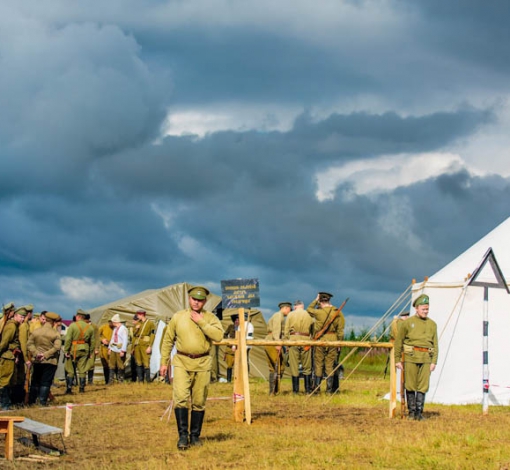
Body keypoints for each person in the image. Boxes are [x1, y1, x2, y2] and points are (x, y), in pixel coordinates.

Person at [159, 286, 224, 450]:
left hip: (202, 363)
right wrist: (163, 362)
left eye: (200, 300)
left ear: (205, 301)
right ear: (189, 299)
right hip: (181, 361)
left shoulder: (210, 318)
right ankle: (182, 436)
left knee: (199, 401)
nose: (196, 302)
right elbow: (168, 340)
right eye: (194, 299)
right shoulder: (178, 317)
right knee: (180, 397)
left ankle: (195, 436)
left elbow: (218, 336)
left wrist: (201, 322)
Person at [395, 294, 438, 420]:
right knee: (410, 385)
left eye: (427, 309)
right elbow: (399, 342)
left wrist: (434, 361)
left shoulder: (432, 324)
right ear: (417, 308)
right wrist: (397, 359)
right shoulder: (407, 323)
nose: (425, 311)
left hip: (426, 358)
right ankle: (411, 412)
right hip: (411, 357)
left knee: (423, 386)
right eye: (423, 309)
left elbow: (435, 344)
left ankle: (419, 413)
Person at [307, 292, 345, 394]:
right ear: (329, 300)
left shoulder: (318, 312)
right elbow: (340, 330)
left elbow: (308, 309)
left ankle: (317, 389)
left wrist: (315, 300)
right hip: (333, 339)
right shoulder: (337, 312)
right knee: (330, 365)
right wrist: (339, 342)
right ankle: (329, 391)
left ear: (320, 301)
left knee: (318, 364)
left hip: (321, 339)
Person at [27, 312, 62, 406]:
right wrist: (45, 355)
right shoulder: (55, 333)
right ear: (54, 322)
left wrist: (36, 353)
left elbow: (29, 344)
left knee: (35, 381)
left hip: (37, 360)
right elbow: (57, 347)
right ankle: (42, 402)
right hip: (50, 361)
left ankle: (31, 401)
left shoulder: (36, 331)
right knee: (46, 382)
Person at [0, 306, 27, 409]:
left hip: (11, 356)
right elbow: (4, 342)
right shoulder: (11, 326)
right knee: (4, 381)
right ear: (15, 315)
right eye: (21, 316)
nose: (23, 319)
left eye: (24, 317)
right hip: (7, 357)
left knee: (10, 381)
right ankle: (4, 405)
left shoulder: (15, 325)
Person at [284, 300, 314, 394]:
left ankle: (295, 391)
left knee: (294, 365)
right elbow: (313, 329)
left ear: (295, 306)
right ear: (303, 306)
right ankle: (307, 390)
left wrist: (287, 342)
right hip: (306, 339)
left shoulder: (290, 315)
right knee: (307, 365)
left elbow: (286, 330)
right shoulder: (309, 315)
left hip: (293, 339)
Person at [63, 309, 94, 394]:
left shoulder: (73, 326)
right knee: (82, 369)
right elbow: (93, 341)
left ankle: (69, 388)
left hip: (73, 349)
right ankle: (81, 389)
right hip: (85, 349)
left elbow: (68, 339)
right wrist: (91, 352)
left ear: (78, 317)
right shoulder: (90, 327)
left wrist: (66, 350)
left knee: (70, 369)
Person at [265, 302, 291, 395]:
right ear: (285, 308)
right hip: (272, 340)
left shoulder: (278, 316)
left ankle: (273, 391)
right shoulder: (278, 316)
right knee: (279, 365)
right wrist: (277, 342)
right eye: (289, 309)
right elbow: (276, 329)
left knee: (274, 366)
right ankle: (274, 390)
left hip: (271, 340)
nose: (290, 311)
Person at [132, 309, 156, 383]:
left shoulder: (150, 323)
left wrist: (150, 346)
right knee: (138, 362)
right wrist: (136, 329)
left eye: (138, 315)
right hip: (138, 344)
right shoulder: (137, 323)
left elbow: (152, 335)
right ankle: (140, 380)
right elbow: (134, 334)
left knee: (146, 362)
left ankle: (148, 381)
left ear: (142, 315)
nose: (137, 316)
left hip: (145, 344)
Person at [108, 314, 128, 384]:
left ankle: (120, 380)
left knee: (120, 364)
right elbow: (112, 338)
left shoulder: (124, 329)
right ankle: (111, 380)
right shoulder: (115, 329)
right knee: (111, 364)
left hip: (120, 348)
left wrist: (123, 350)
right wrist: (110, 348)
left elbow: (125, 340)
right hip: (114, 348)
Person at [84, 313, 100, 385]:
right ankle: (83, 380)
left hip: (92, 348)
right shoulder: (82, 326)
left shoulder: (94, 327)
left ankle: (90, 381)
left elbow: (97, 338)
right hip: (84, 347)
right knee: (83, 363)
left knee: (91, 364)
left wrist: (96, 348)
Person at [223, 314, 238, 383]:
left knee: (238, 365)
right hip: (230, 349)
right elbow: (225, 335)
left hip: (238, 349)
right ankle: (229, 380)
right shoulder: (231, 327)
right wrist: (229, 340)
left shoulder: (242, 327)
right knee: (229, 365)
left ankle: (237, 379)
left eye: (238, 320)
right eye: (236, 320)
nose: (237, 321)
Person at [98, 319, 114, 384]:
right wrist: (102, 339)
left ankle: (112, 380)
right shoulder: (103, 327)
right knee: (105, 364)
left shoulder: (116, 328)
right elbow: (97, 335)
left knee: (112, 364)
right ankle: (107, 380)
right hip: (104, 348)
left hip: (113, 348)